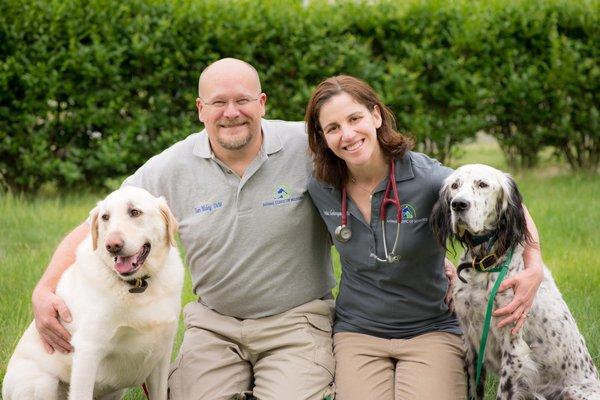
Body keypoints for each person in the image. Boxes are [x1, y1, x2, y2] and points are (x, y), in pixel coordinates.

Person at [31, 58, 337, 400]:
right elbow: (103, 222)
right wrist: (44, 289)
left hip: (295, 322)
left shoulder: (307, 146)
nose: (231, 112)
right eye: (219, 102)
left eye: (243, 100)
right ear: (200, 109)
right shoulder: (170, 167)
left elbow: (367, 160)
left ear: (262, 103)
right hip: (214, 326)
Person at [304, 75, 544, 400]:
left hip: (431, 328)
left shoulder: (426, 177)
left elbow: (511, 203)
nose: (347, 134)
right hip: (357, 331)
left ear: (376, 116)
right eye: (332, 128)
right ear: (322, 136)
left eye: (355, 118)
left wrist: (534, 265)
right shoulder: (321, 185)